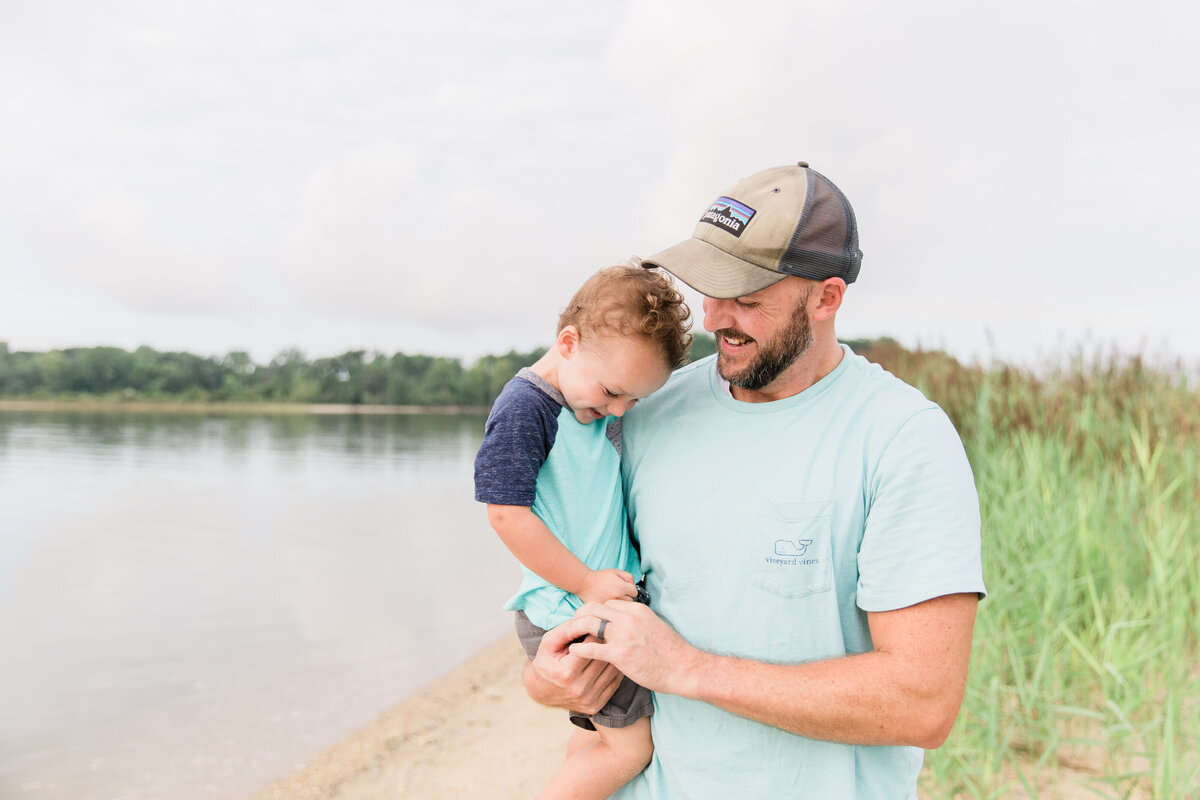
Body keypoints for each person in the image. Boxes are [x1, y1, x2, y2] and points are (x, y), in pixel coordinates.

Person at [523, 162, 987, 799]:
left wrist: (690, 670)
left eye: (747, 298)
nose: (715, 320)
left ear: (826, 298)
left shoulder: (903, 439)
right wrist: (549, 681)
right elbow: (568, 594)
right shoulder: (640, 411)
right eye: (710, 291)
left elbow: (922, 703)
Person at [474, 264, 692, 800]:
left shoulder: (585, 405)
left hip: (584, 605)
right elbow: (505, 513)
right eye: (613, 392)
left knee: (596, 739)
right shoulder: (527, 409)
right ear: (567, 343)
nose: (617, 410)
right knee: (631, 748)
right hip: (568, 610)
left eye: (632, 401)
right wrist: (589, 584)